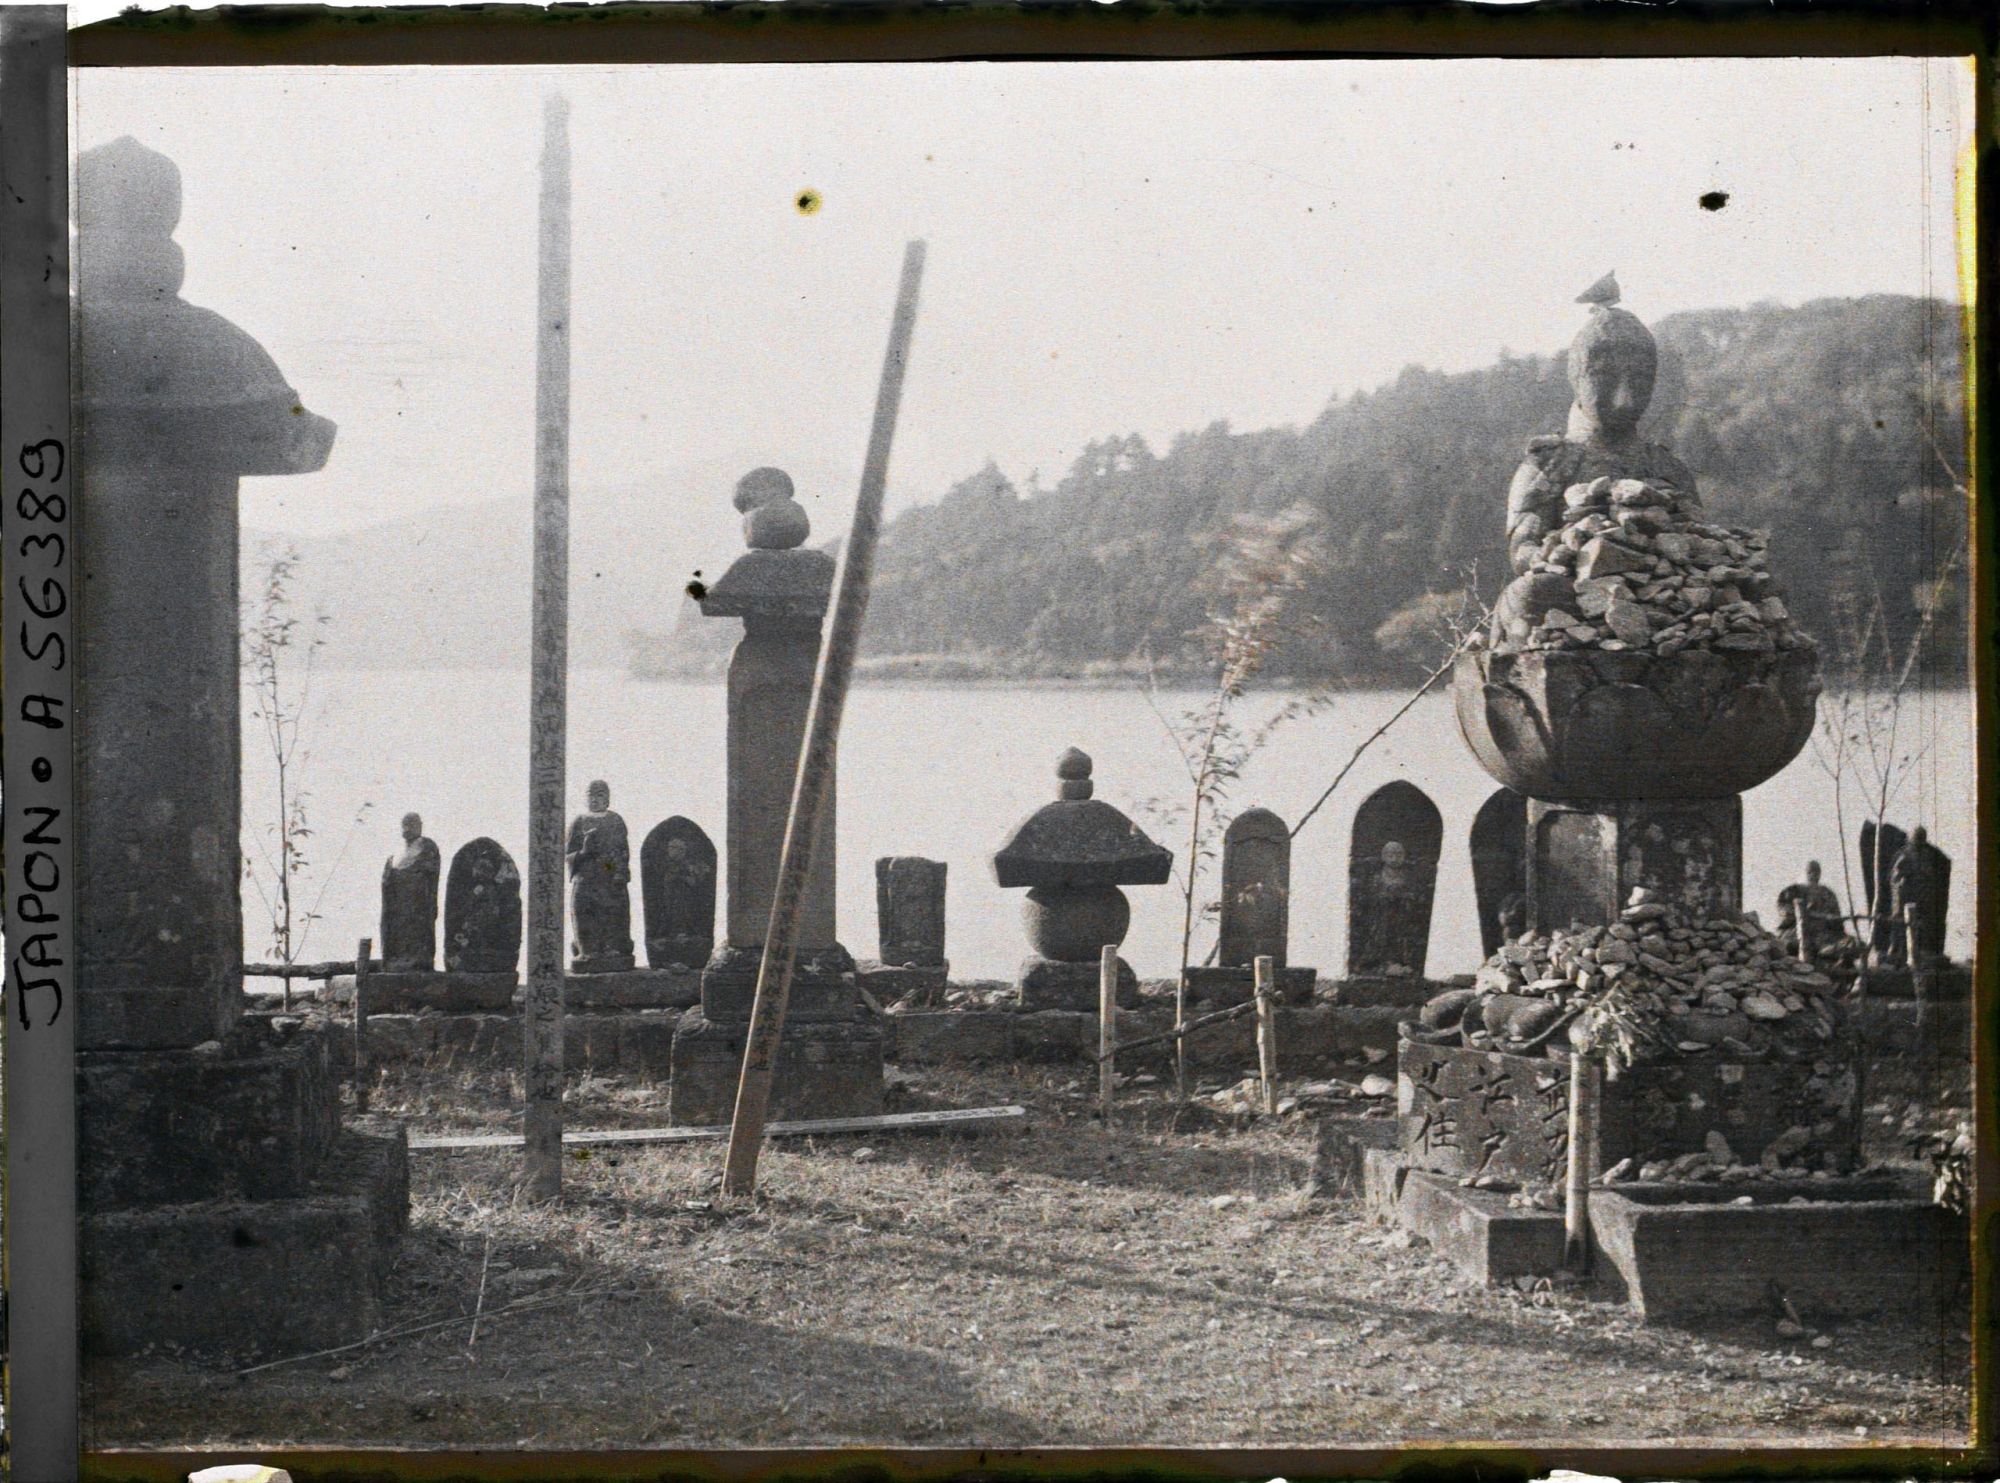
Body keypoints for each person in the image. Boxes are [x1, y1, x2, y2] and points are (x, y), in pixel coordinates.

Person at [567, 779, 634, 971]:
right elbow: (568, 855)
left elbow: (623, 851)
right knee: (584, 910)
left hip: (608, 871)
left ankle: (613, 948)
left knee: (613, 910)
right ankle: (587, 950)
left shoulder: (615, 820)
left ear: (607, 799)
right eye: (591, 796)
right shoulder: (578, 822)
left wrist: (620, 871)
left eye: (600, 796)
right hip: (585, 875)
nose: (595, 800)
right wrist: (584, 852)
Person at [380, 812, 440, 971]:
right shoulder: (395, 854)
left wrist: (409, 874)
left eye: (412, 824)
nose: (408, 828)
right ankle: (395, 959)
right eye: (405, 824)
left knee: (416, 934)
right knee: (397, 931)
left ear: (420, 826)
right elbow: (388, 879)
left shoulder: (427, 847)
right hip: (397, 904)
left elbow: (428, 872)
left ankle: (418, 959)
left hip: (418, 904)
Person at [1776, 860, 1843, 961]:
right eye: (1810, 872)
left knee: (1848, 944)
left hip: (1823, 935)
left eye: (1816, 872)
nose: (1813, 875)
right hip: (1796, 933)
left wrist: (1832, 920)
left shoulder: (1827, 894)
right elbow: (1785, 914)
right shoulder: (1792, 891)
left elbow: (1837, 922)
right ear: (1804, 873)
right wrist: (1811, 915)